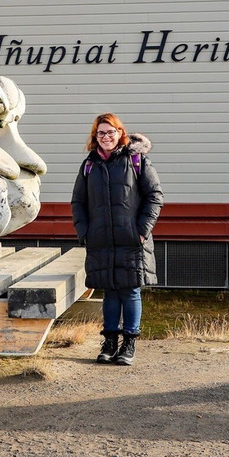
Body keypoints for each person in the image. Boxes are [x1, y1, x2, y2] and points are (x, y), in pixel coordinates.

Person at [71, 113, 164, 366]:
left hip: (132, 239)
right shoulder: (89, 165)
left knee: (130, 290)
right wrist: (85, 232)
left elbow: (154, 196)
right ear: (95, 137)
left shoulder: (137, 160)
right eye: (101, 133)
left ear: (120, 133)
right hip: (101, 240)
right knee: (110, 290)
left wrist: (142, 230)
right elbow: (78, 202)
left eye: (110, 132)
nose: (106, 137)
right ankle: (109, 343)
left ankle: (129, 344)